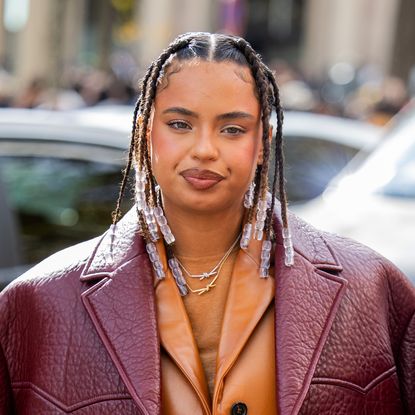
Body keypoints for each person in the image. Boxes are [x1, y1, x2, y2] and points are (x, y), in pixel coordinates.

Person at [0, 32, 414, 415]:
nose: (204, 149)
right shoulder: (37, 303)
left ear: (261, 145)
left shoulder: (374, 290)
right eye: (180, 124)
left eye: (232, 129)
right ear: (145, 133)